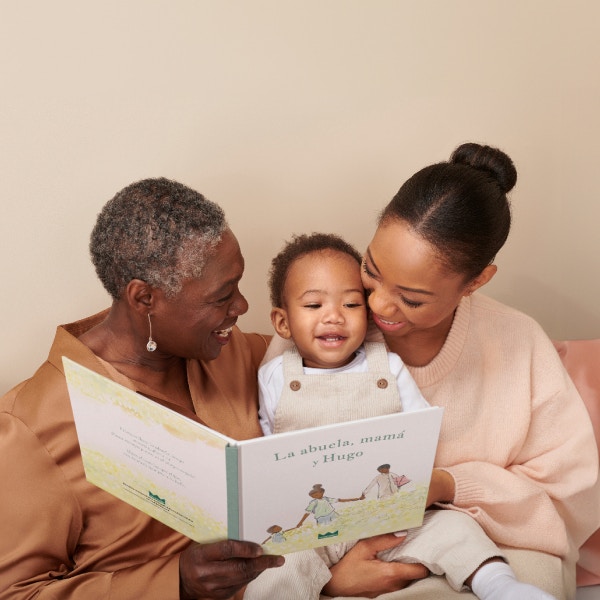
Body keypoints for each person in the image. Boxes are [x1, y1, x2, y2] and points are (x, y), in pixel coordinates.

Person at [0, 178, 285, 599]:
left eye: (238, 284)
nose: (242, 306)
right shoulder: (31, 427)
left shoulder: (235, 354)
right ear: (144, 298)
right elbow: (16, 592)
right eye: (222, 295)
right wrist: (177, 583)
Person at [246, 231, 556, 600]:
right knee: (276, 565)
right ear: (282, 323)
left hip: (386, 512)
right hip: (314, 526)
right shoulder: (275, 376)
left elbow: (421, 430)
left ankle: (501, 586)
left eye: (350, 305)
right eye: (314, 306)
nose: (333, 317)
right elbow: (266, 445)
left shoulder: (387, 367)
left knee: (455, 528)